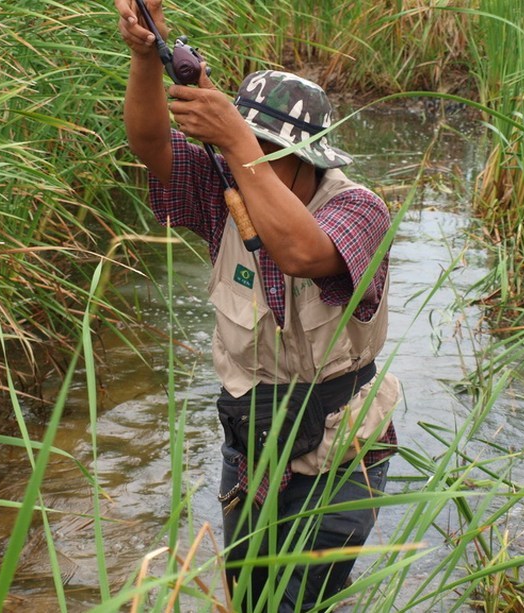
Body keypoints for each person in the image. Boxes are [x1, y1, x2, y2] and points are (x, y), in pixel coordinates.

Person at [115, 1, 399, 610]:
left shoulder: (360, 211)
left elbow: (299, 251)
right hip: (250, 442)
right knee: (248, 596)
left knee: (300, 601)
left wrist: (239, 140)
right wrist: (145, 57)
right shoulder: (223, 195)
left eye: (268, 152)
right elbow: (148, 142)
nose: (247, 165)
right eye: (245, 149)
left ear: (309, 160)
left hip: (337, 450)